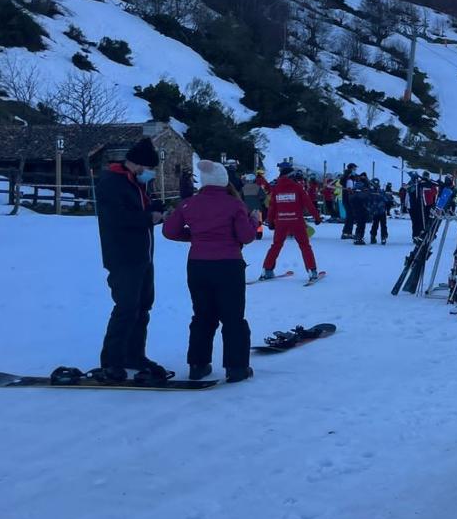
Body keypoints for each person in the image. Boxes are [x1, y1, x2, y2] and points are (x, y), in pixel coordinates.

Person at [161, 159, 258, 383]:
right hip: (229, 264)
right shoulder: (234, 205)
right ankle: (236, 367)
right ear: (224, 181)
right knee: (233, 317)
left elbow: (170, 231)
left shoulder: (189, 204)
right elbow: (246, 237)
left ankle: (198, 363)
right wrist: (253, 222)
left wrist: (195, 237)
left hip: (198, 265)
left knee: (203, 316)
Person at [93, 137, 168, 382]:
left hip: (143, 256)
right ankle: (111, 361)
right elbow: (117, 219)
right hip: (123, 256)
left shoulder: (137, 183)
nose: (151, 174)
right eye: (149, 169)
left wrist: (156, 209)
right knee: (125, 308)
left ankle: (134, 354)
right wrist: (150, 217)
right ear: (137, 165)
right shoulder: (111, 183)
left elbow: (140, 211)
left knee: (142, 308)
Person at [260, 161, 322, 283]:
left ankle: (266, 270)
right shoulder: (297, 187)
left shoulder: (276, 188)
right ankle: (311, 271)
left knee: (276, 245)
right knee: (304, 246)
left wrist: (271, 221)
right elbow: (308, 203)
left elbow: (272, 206)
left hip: (281, 221)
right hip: (296, 220)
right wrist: (317, 217)